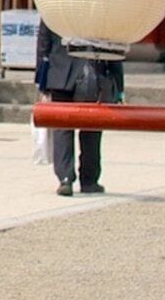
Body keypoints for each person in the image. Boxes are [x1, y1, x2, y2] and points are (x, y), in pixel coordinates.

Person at [39, 16, 122, 196]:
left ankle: (65, 178)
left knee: (62, 128)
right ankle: (89, 180)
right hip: (92, 71)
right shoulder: (101, 5)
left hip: (60, 72)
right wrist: (118, 84)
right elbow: (113, 46)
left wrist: (42, 79)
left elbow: (44, 43)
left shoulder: (55, 0)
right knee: (92, 127)